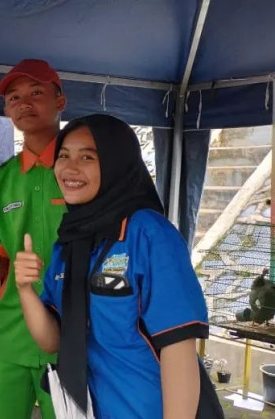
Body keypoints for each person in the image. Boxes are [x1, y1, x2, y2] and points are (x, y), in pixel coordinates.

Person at [16, 114, 220, 418]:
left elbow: (178, 348)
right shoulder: (70, 241)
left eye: (87, 157)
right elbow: (54, 340)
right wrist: (25, 290)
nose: (70, 168)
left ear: (116, 162)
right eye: (63, 156)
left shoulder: (149, 234)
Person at [0, 59, 68, 419]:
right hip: (10, 331)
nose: (25, 103)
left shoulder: (83, 170)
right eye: (14, 97)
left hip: (76, 332)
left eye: (36, 93)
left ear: (60, 101)